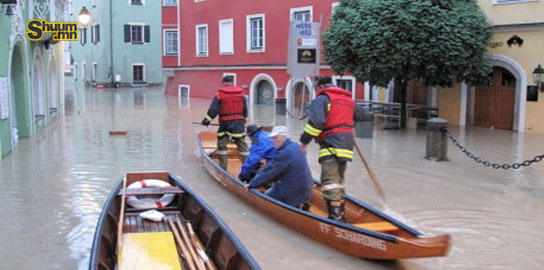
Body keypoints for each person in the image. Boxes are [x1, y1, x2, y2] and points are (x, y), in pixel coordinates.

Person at [299, 76, 369, 222]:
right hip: (346, 143)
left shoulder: (322, 100)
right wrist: (348, 125)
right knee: (338, 180)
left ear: (322, 87)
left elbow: (316, 123)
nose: (316, 92)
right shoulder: (348, 100)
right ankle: (341, 213)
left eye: (316, 89)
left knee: (329, 180)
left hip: (330, 142)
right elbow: (364, 115)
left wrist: (304, 141)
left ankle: (335, 217)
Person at [245, 126, 313, 208]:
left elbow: (269, 172)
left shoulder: (285, 153)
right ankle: (301, 203)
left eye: (274, 138)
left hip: (292, 191)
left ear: (282, 138)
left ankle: (293, 205)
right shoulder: (296, 147)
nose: (273, 141)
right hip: (307, 190)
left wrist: (252, 184)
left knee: (265, 196)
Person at [202, 76, 249, 169]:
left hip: (225, 123)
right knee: (243, 146)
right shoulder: (241, 94)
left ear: (224, 83)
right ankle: (248, 168)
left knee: (222, 146)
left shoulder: (220, 94)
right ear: (232, 82)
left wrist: (206, 120)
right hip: (239, 123)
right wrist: (242, 119)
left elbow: (213, 110)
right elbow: (245, 110)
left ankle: (223, 168)